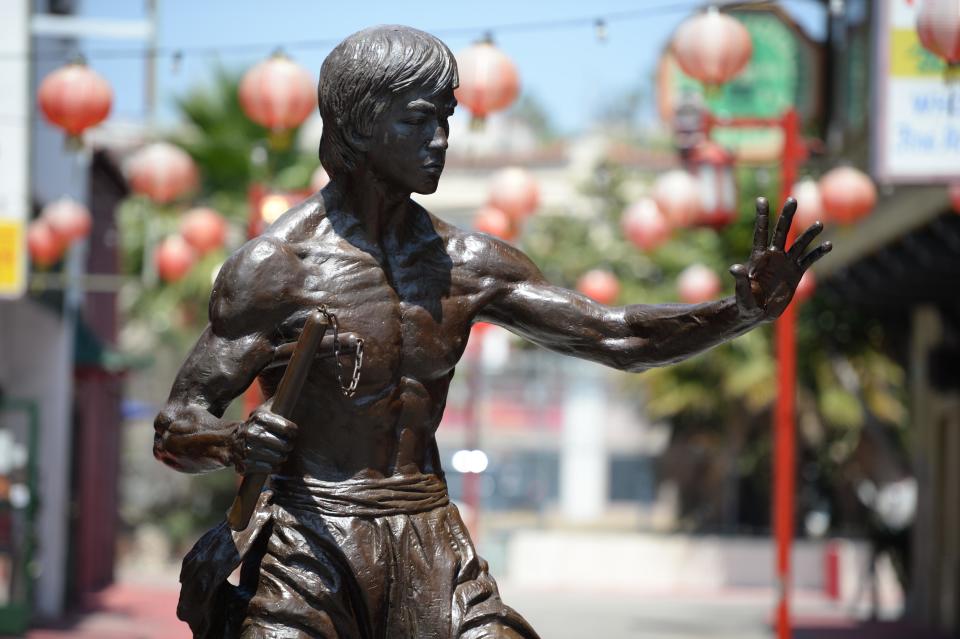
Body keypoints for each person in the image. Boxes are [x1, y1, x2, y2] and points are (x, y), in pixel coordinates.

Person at [154, 24, 831, 639]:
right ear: (359, 128)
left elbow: (616, 335)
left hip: (430, 539)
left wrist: (737, 312)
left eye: (445, 118)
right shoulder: (278, 269)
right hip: (310, 536)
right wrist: (228, 441)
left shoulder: (466, 263)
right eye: (418, 121)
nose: (441, 139)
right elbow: (177, 424)